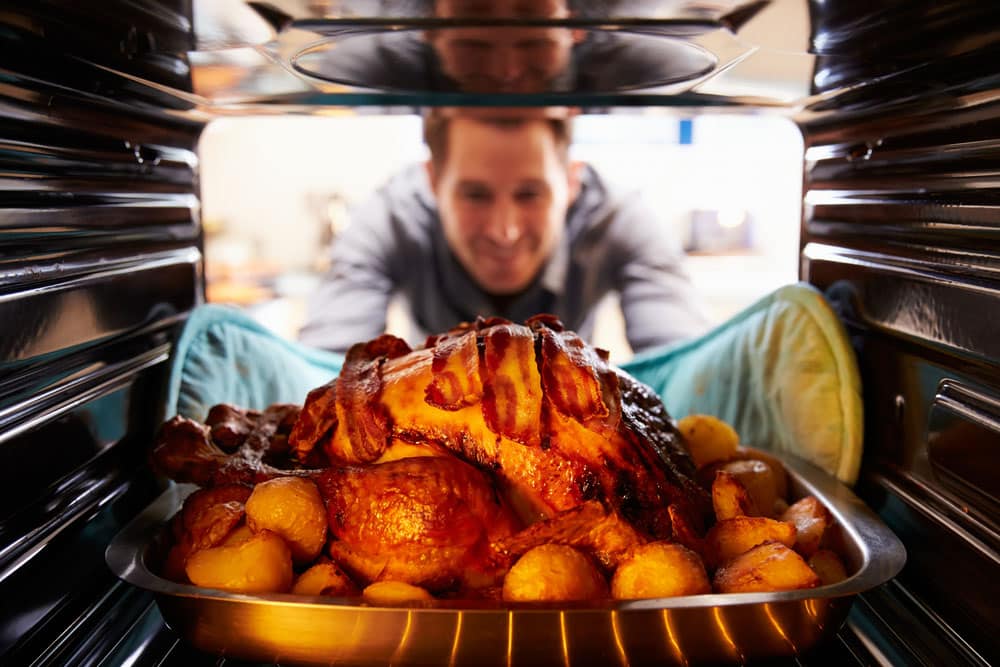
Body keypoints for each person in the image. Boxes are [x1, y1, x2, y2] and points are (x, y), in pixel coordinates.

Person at [298, 107, 711, 354]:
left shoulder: (617, 219)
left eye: (530, 194)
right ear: (433, 182)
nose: (505, 231)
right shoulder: (390, 219)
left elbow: (681, 357)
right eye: (475, 195)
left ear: (570, 183)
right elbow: (328, 362)